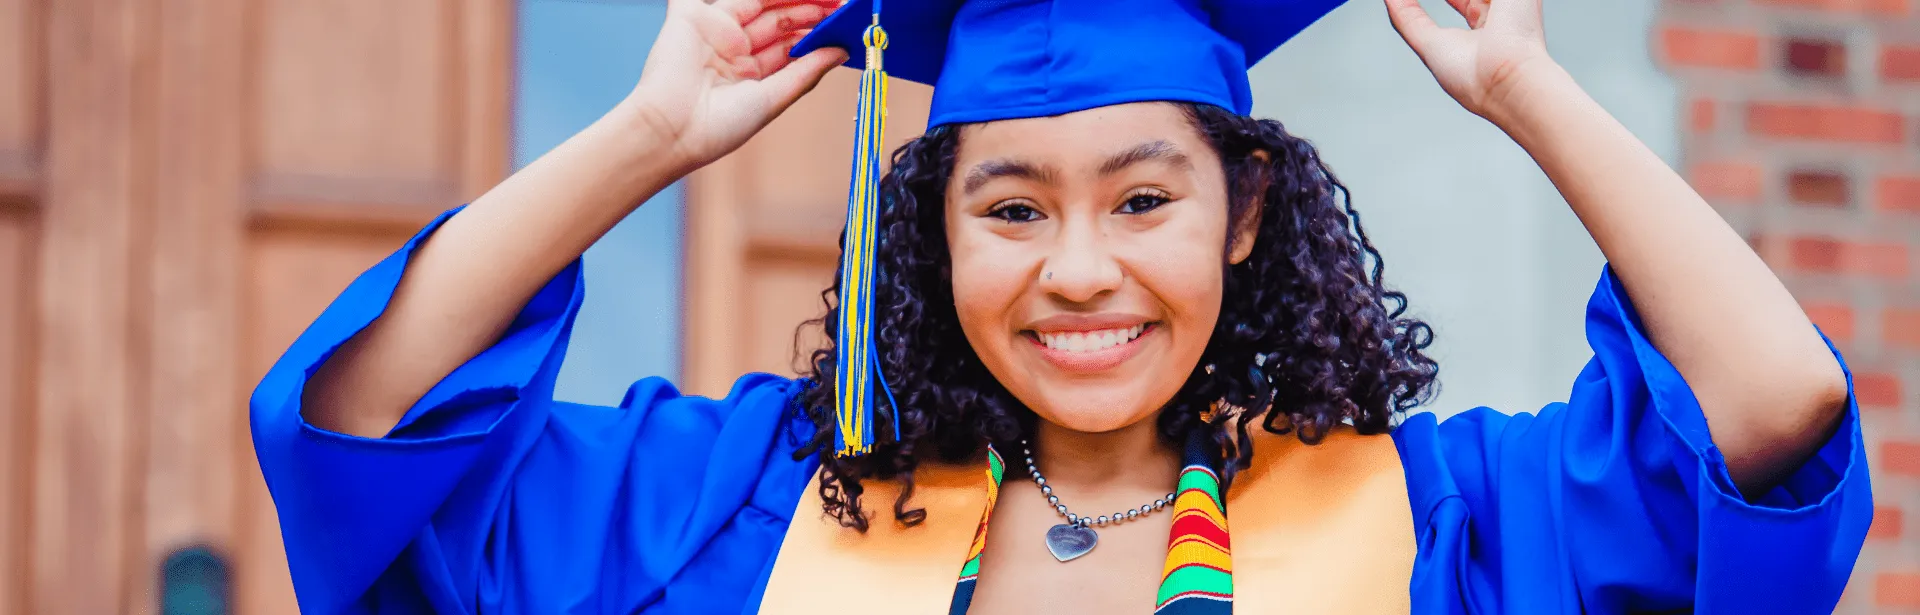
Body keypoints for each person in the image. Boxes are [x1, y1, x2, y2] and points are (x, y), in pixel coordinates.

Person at [249, 0, 1875, 612]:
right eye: (1011, 208)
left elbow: (1770, 421)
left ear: (1245, 217)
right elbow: (362, 432)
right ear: (933, 237)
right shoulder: (736, 512)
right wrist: (654, 132)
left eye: (1145, 197)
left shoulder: (1443, 527)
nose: (1079, 267)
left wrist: (1529, 90)